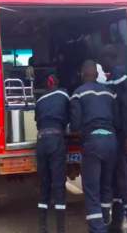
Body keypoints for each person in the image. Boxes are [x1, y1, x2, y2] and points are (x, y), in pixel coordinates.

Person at [69, 60, 120, 233]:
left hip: (93, 143)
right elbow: (118, 121)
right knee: (106, 185)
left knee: (91, 189)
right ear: (97, 74)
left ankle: (97, 229)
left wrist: (67, 128)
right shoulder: (110, 93)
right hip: (111, 141)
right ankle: (105, 221)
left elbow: (74, 126)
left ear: (82, 74)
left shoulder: (78, 94)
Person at [99, 44, 127, 233]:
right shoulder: (117, 75)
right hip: (118, 136)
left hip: (123, 135)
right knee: (117, 180)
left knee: (124, 180)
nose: (100, 64)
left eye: (101, 60)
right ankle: (117, 222)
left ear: (109, 57)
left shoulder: (119, 75)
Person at [34, 72, 70, 233]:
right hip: (56, 140)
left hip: (41, 141)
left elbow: (37, 121)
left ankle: (42, 228)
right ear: (57, 82)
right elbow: (70, 115)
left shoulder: (39, 100)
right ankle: (60, 230)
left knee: (44, 183)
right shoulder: (64, 93)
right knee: (58, 184)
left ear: (45, 85)